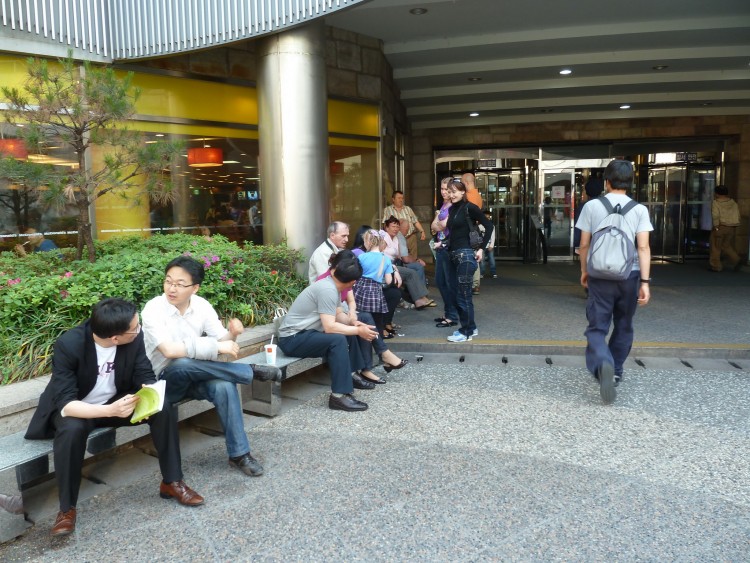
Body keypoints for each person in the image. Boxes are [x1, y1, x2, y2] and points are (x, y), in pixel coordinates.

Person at [24, 298, 205, 537]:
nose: (139, 330)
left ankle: (172, 482)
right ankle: (67, 509)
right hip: (80, 408)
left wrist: (149, 391)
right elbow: (67, 404)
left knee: (164, 407)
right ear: (115, 338)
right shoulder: (69, 345)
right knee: (70, 431)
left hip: (116, 401)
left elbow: (143, 371)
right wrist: (109, 411)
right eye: (134, 328)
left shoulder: (133, 337)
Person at [141, 256, 283, 477]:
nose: (172, 288)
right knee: (181, 362)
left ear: (195, 288)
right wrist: (215, 346)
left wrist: (233, 333)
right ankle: (250, 371)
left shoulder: (201, 306)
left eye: (180, 284)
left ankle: (239, 454)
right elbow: (169, 351)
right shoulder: (153, 309)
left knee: (224, 386)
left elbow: (223, 342)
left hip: (196, 374)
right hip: (163, 382)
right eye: (168, 281)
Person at [576, 160, 653, 404]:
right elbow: (643, 247)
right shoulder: (639, 209)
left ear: (607, 181)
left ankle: (603, 362)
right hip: (628, 275)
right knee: (624, 324)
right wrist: (644, 281)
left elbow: (584, 244)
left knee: (597, 327)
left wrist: (584, 270)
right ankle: (616, 371)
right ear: (630, 183)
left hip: (599, 275)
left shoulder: (592, 206)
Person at [277, 254, 380, 412]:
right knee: (337, 340)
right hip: (292, 338)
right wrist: (359, 331)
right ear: (353, 282)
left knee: (347, 333)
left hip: (305, 334)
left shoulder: (332, 285)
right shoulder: (327, 290)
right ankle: (338, 397)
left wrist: (353, 323)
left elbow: (338, 315)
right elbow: (330, 327)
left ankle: (351, 376)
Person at [437, 179, 493, 342]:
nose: (451, 194)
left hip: (466, 257)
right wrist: (444, 243)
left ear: (463, 192)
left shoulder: (470, 208)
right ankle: (471, 327)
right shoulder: (454, 209)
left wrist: (482, 248)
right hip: (454, 255)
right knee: (456, 294)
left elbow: (489, 226)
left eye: (454, 191)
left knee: (463, 295)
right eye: (449, 191)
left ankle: (466, 332)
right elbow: (455, 234)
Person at [353, 229, 408, 378]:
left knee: (367, 325)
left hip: (360, 292)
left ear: (368, 242)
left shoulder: (362, 257)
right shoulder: (385, 259)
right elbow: (389, 281)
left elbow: (356, 275)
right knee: (377, 325)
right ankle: (384, 359)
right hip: (376, 294)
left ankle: (371, 364)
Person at [381, 216, 435, 309]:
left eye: (397, 227)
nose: (395, 229)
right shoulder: (385, 237)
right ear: (386, 227)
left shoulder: (396, 238)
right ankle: (419, 300)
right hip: (384, 267)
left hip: (393, 265)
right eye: (393, 226)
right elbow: (377, 253)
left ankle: (421, 298)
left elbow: (398, 256)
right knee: (411, 273)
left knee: (411, 271)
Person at [431, 177, 459, 328]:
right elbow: (434, 225)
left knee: (449, 283)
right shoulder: (444, 204)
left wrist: (437, 223)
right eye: (441, 189)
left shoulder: (454, 206)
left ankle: (452, 315)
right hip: (440, 248)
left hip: (449, 247)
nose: (443, 192)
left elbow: (441, 225)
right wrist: (437, 223)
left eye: (446, 189)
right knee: (441, 282)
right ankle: (449, 312)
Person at [381, 190, 426, 259]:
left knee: (413, 257)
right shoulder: (388, 210)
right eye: (399, 198)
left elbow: (415, 221)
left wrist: (422, 231)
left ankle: (413, 268)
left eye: (402, 198)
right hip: (397, 238)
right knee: (400, 257)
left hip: (410, 237)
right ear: (393, 199)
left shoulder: (408, 209)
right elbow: (385, 224)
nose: (401, 200)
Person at [709, 184, 742, 272]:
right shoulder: (733, 202)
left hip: (721, 226)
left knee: (716, 246)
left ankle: (716, 266)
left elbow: (715, 215)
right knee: (725, 245)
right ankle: (736, 259)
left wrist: (716, 227)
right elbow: (738, 214)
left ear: (717, 193)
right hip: (731, 227)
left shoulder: (716, 202)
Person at [461, 173, 483, 293]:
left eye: (462, 182)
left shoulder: (468, 197)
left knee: (469, 256)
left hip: (468, 230)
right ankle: (476, 284)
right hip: (475, 229)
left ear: (467, 183)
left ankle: (472, 283)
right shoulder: (478, 196)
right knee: (475, 256)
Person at [397, 218, 428, 287]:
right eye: (407, 228)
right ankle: (420, 293)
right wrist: (417, 260)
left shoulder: (397, 236)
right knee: (418, 266)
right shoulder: (400, 237)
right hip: (398, 265)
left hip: (395, 263)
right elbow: (405, 259)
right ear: (406, 228)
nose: (407, 230)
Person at [479, 210, 497, 279]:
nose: (487, 219)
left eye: (488, 217)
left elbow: (493, 236)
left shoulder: (492, 226)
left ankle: (493, 272)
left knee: (491, 260)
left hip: (489, 245)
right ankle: (482, 273)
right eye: (485, 217)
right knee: (482, 261)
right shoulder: (480, 226)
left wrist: (491, 245)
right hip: (482, 246)